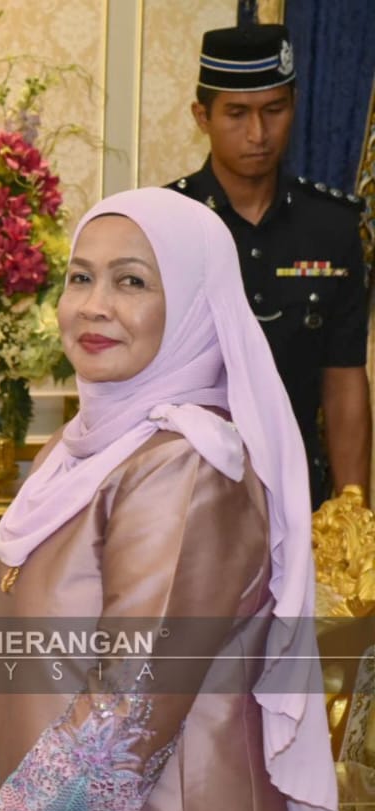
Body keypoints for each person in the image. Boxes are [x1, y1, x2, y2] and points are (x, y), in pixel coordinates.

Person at [0, 187, 339, 811]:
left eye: (131, 281)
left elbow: (129, 703)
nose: (94, 305)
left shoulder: (190, 466)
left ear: (194, 305)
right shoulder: (74, 449)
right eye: (81, 278)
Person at [166, 22, 371, 509]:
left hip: (298, 489)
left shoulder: (333, 226)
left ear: (294, 105)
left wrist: (353, 512)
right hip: (185, 492)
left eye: (274, 111)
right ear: (202, 116)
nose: (258, 134)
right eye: (237, 114)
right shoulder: (166, 224)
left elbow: (344, 378)